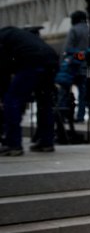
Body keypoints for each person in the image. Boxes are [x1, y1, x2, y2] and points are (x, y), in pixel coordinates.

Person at [0, 27, 58, 155]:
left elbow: (3, 72)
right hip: (50, 58)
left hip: (32, 61)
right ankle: (46, 142)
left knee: (11, 101)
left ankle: (13, 144)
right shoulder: (13, 34)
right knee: (45, 101)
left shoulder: (3, 39)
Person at [63, 10, 90, 123]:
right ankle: (80, 116)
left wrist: (78, 56)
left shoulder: (74, 30)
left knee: (65, 92)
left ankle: (64, 115)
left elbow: (68, 48)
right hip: (85, 67)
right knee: (82, 94)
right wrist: (84, 56)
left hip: (73, 65)